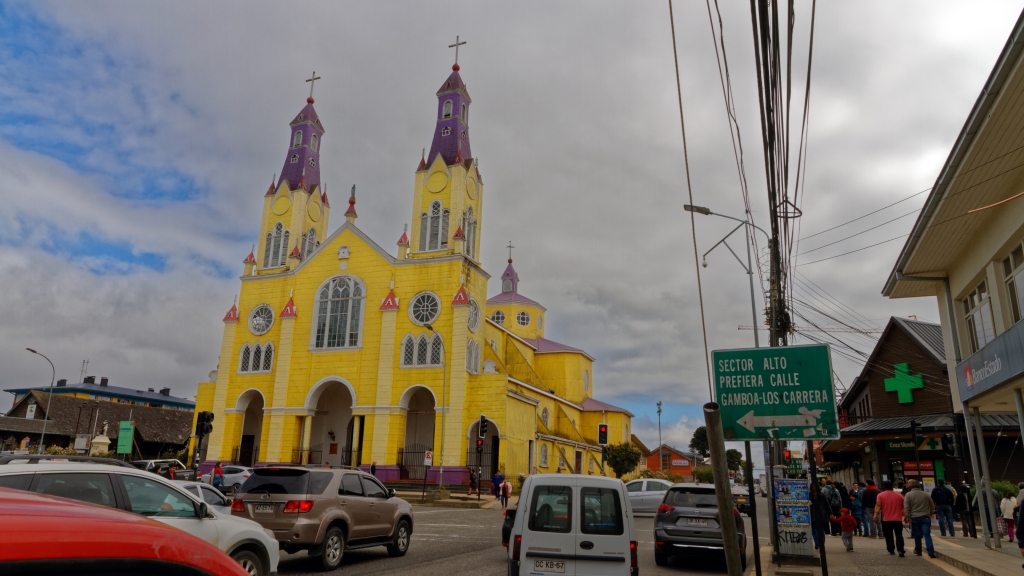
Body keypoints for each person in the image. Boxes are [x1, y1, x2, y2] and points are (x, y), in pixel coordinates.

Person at [904, 479, 936, 558]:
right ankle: (930, 551)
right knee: (927, 535)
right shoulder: (926, 494)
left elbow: (906, 507)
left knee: (917, 535)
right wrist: (931, 512)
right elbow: (932, 505)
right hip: (925, 516)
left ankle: (918, 551)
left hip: (914, 517)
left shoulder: (908, 495)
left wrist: (907, 516)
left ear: (911, 486)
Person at [875, 480, 906, 557]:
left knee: (888, 535)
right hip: (897, 519)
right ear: (892, 486)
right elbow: (904, 505)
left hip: (886, 519)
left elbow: (878, 505)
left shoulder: (880, 495)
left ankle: (891, 549)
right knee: (899, 534)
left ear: (884, 487)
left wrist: (875, 514)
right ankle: (900, 550)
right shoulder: (899, 495)